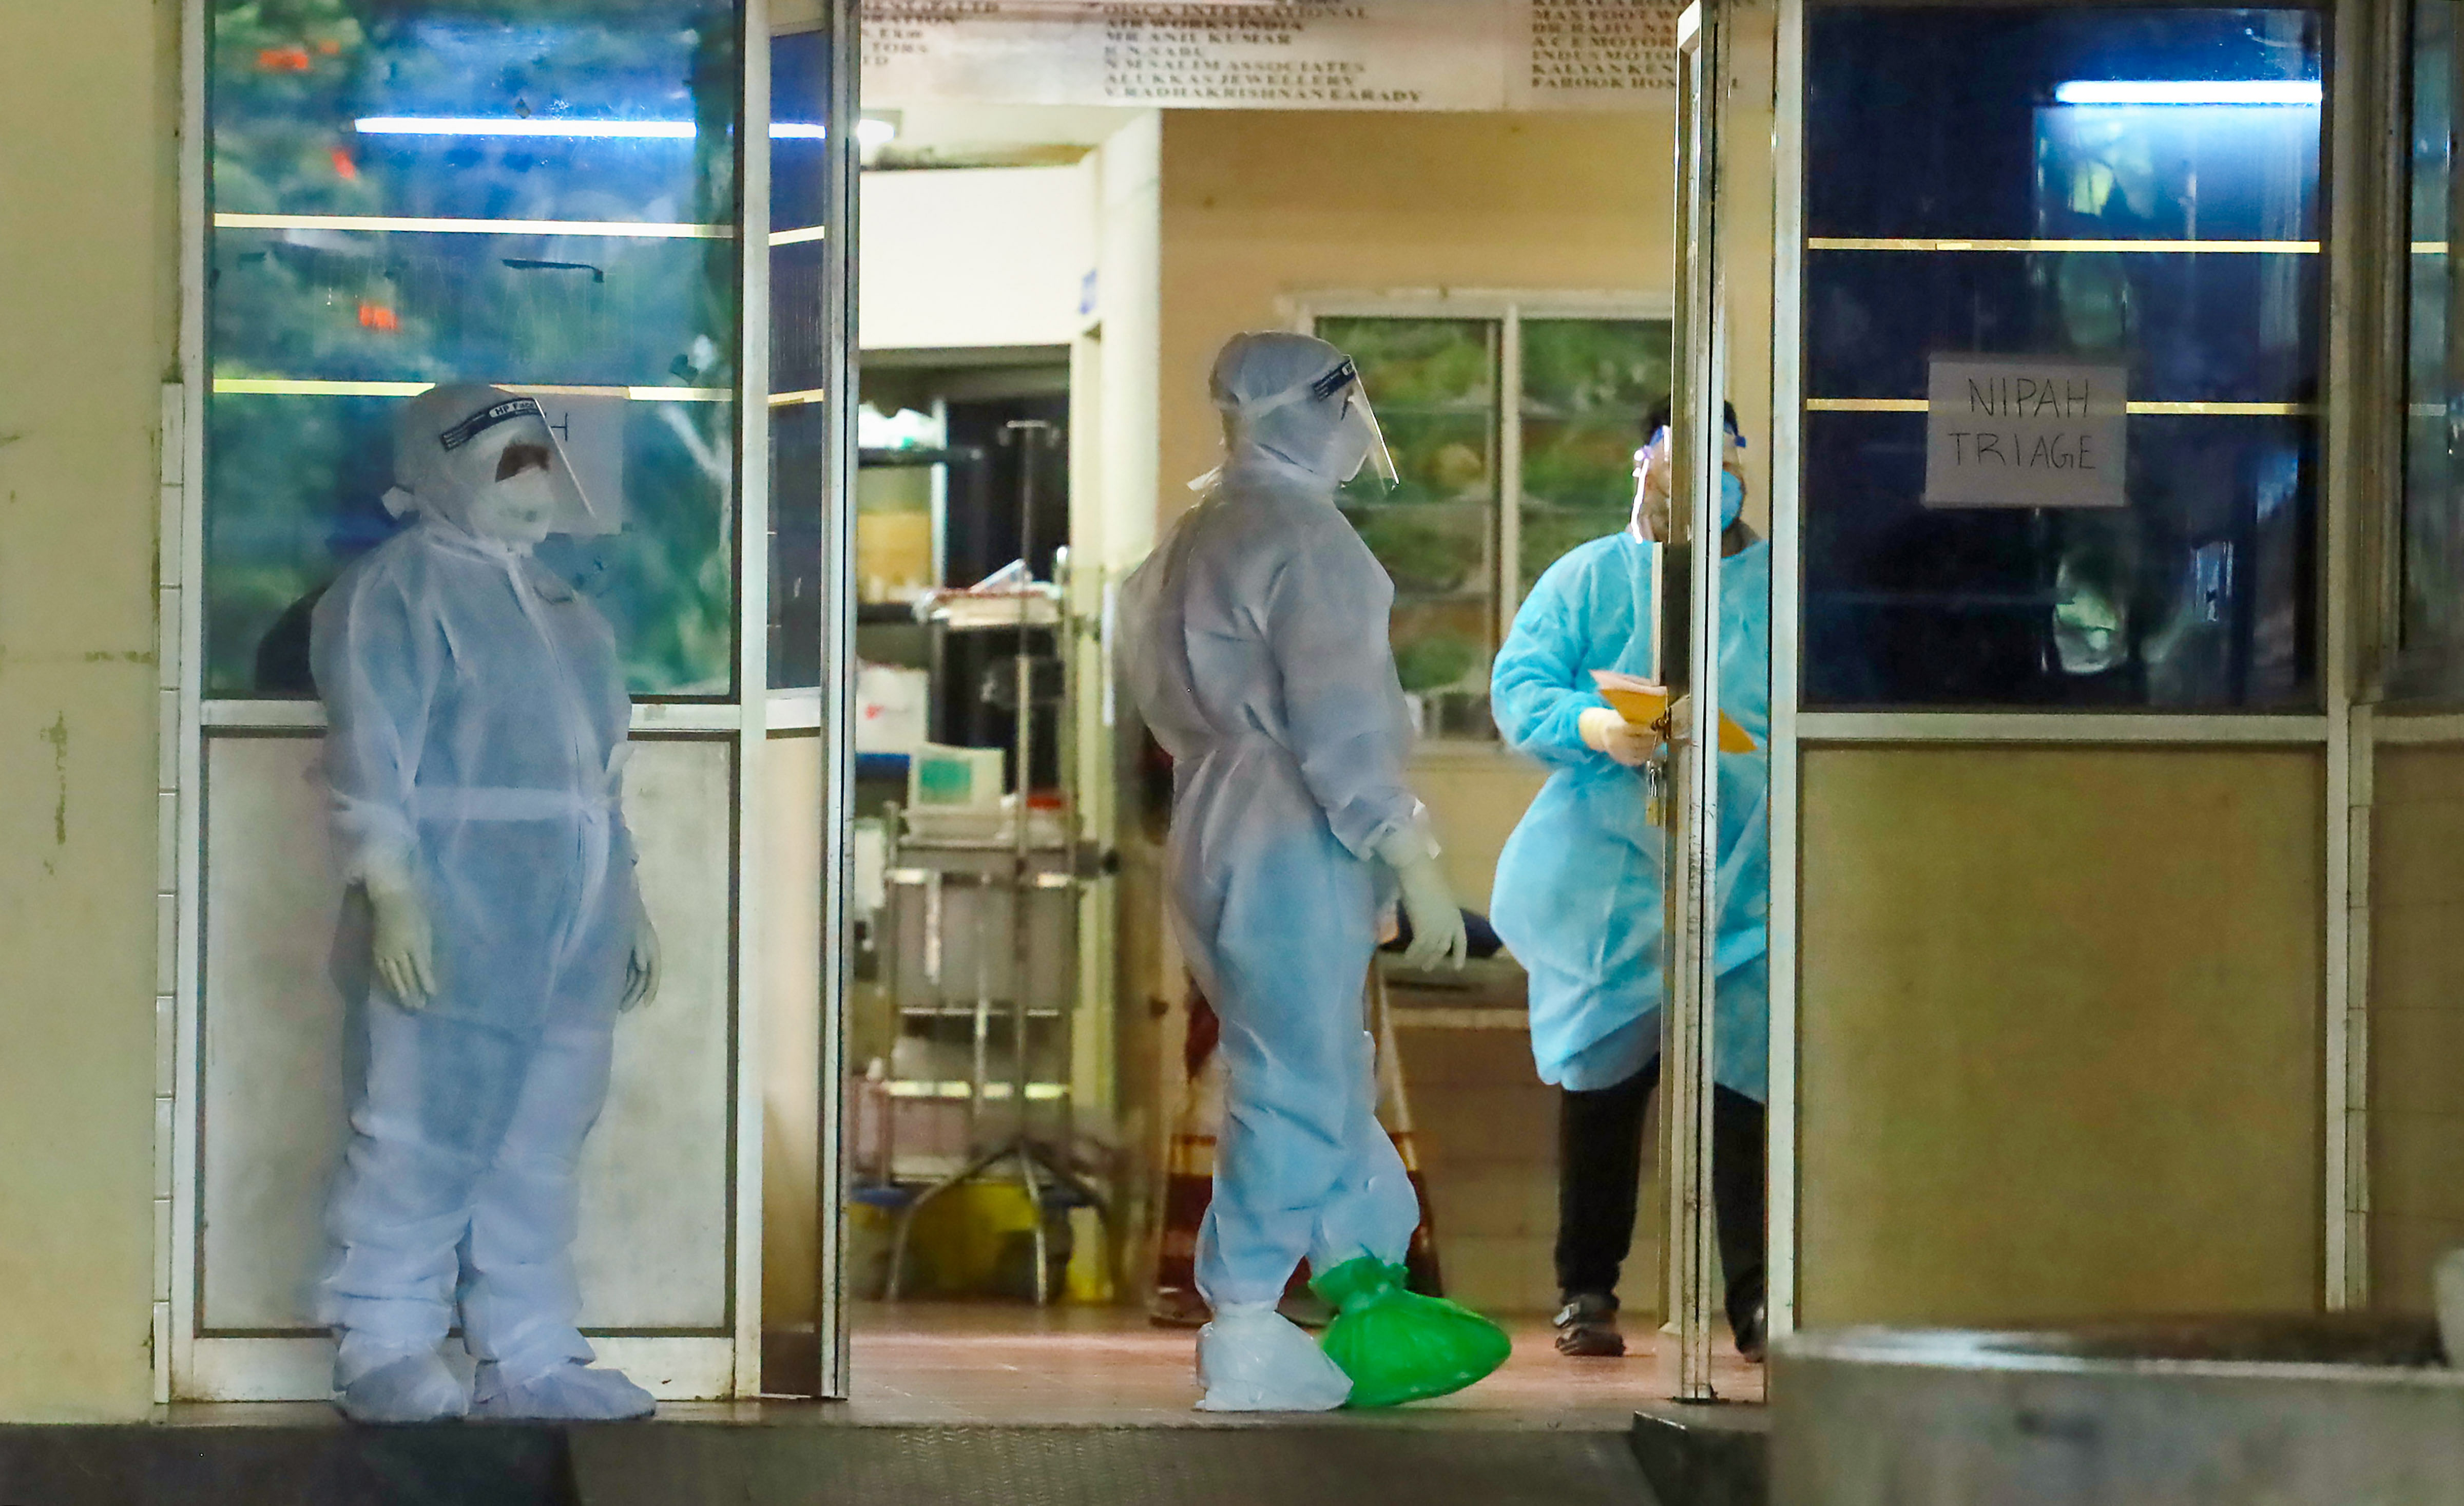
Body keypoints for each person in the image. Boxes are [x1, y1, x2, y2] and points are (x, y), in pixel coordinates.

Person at [1118, 331, 1508, 1412]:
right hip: (1294, 827)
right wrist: (1409, 856)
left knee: (1314, 1063)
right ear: (1310, 414)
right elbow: (1342, 728)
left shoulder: (1197, 537)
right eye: (1348, 409)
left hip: (1214, 821)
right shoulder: (1312, 545)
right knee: (1294, 1079)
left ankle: (1364, 1283)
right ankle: (1242, 1325)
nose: (1358, 432)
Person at [311, 384, 662, 1423]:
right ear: (439, 471)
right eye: (506, 464)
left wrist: (627, 898)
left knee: (542, 1133)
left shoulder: (569, 614)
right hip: (457, 903)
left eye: (540, 461)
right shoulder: (395, 593)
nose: (534, 483)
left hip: (576, 915)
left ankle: (531, 1352)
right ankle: (383, 1342)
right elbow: (372, 752)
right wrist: (394, 886)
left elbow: (597, 778)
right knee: (422, 1124)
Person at [1489, 396, 1773, 1361]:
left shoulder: (1783, 589)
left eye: (1717, 457)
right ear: (1642, 468)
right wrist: (1597, 727)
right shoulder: (1593, 580)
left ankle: (1758, 1299)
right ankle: (1587, 1290)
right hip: (1612, 875)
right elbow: (1522, 686)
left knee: (1746, 1091)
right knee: (1605, 1084)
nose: (1697, 480)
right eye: (1674, 460)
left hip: (1750, 875)